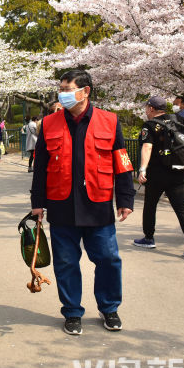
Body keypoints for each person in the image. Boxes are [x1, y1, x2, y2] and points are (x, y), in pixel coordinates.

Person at [31, 69, 135, 335]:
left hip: (97, 202)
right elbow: (40, 166)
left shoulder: (109, 121)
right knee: (66, 262)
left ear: (85, 91)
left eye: (68, 88)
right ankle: (72, 312)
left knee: (109, 259)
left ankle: (109, 308)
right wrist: (37, 203)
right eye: (61, 88)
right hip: (61, 203)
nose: (63, 93)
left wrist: (125, 198)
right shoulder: (49, 123)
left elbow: (122, 162)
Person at [133, 96, 184, 258]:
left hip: (157, 173)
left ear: (151, 108)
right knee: (180, 206)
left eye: (146, 107)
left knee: (150, 204)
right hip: (178, 170)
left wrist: (142, 169)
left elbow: (147, 147)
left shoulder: (149, 126)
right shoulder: (177, 118)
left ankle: (149, 238)